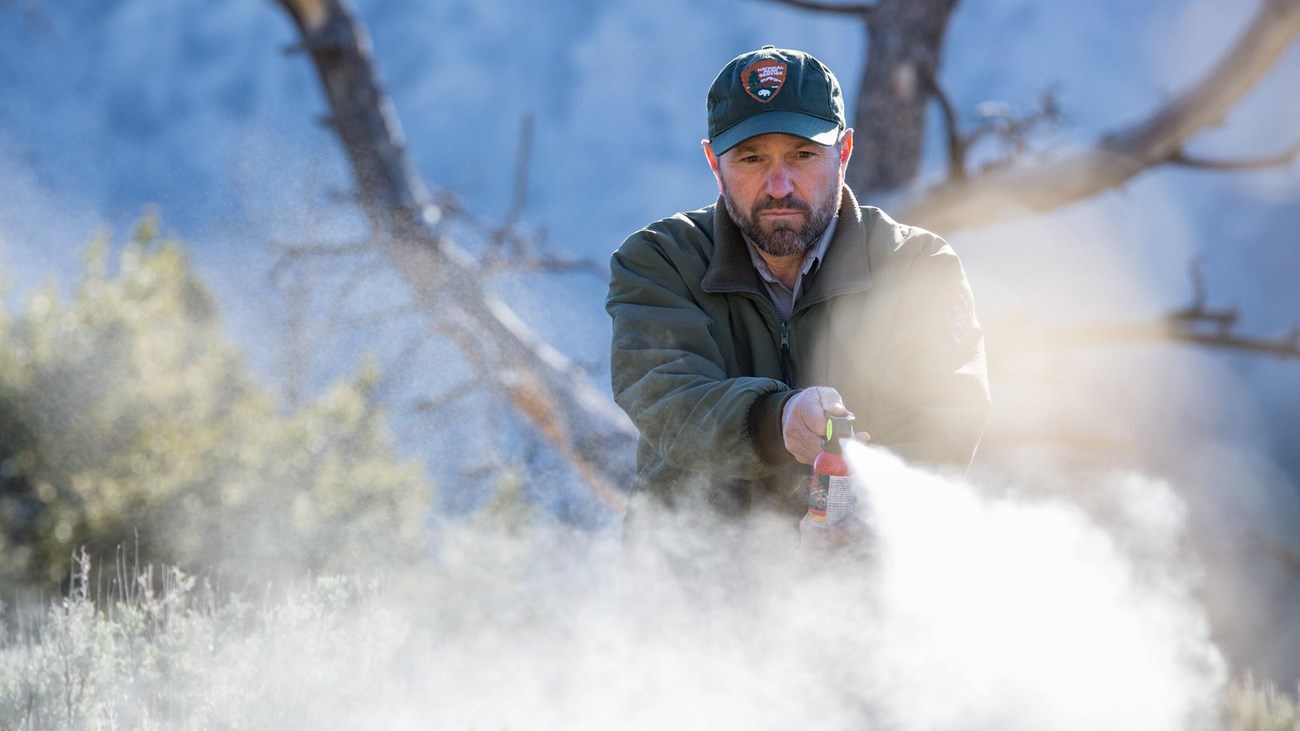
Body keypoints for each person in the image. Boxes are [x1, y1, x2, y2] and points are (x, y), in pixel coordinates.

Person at [606, 46, 990, 588]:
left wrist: (863, 518)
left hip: (861, 600)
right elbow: (665, 396)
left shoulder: (916, 265)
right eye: (752, 159)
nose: (779, 186)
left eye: (803, 155)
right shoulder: (661, 260)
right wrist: (777, 419)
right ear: (714, 164)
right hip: (686, 602)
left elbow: (945, 417)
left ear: (845, 151)